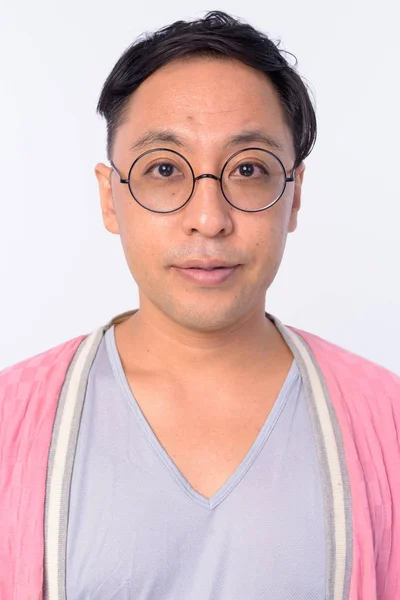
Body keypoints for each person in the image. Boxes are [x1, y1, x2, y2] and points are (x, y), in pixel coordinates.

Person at [1, 10, 399, 600]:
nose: (209, 219)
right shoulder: (10, 422)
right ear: (111, 198)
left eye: (248, 170)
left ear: (294, 199)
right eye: (164, 169)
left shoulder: (388, 425)